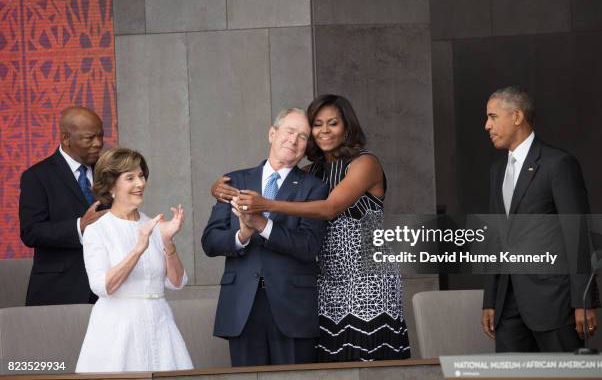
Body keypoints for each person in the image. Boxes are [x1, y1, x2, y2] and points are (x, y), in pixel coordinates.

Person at [213, 95, 410, 362]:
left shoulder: (365, 163)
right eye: (317, 125)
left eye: (333, 123)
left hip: (367, 279)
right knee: (330, 363)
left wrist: (267, 204)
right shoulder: (312, 172)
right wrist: (218, 190)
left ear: (347, 127)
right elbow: (283, 177)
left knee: (367, 360)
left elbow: (329, 208)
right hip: (326, 280)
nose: (325, 130)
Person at [202, 108, 328, 367]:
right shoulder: (233, 180)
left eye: (302, 137)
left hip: (292, 307)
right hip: (242, 307)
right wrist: (242, 234)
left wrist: (261, 224)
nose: (293, 141)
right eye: (289, 131)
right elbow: (210, 241)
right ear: (272, 134)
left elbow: (308, 246)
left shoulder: (314, 187)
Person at [481, 86, 600, 352]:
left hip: (554, 303)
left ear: (517, 116)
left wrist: (583, 301)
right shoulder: (496, 170)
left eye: (492, 116)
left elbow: (578, 233)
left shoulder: (558, 164)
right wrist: (490, 300)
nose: (487, 125)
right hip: (507, 307)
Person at [75, 148, 193, 372]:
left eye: (141, 176)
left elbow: (177, 283)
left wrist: (167, 240)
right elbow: (102, 286)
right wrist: (138, 249)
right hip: (117, 330)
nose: (140, 183)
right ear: (111, 186)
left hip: (160, 325)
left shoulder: (154, 225)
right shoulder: (98, 230)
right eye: (130, 178)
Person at [20, 106, 107, 306]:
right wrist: (79, 226)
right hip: (58, 291)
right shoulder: (37, 177)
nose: (98, 143)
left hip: (107, 290)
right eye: (89, 138)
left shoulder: (108, 171)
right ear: (66, 138)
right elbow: (31, 232)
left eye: (101, 136)